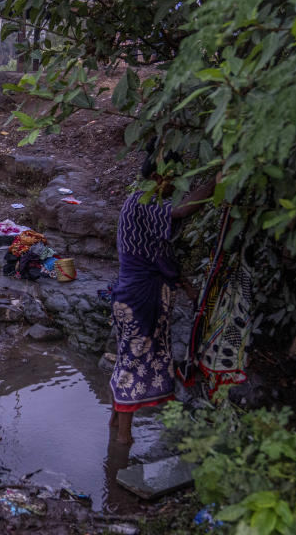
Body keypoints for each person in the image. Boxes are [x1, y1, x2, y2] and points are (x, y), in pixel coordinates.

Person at [109, 147, 219, 445]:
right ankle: (123, 440)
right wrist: (216, 182)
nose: (178, 185)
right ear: (159, 177)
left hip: (137, 294)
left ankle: (117, 427)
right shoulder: (145, 202)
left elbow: (161, 251)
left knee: (131, 357)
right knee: (133, 359)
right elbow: (180, 212)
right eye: (175, 178)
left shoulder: (143, 201)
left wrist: (184, 285)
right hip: (140, 296)